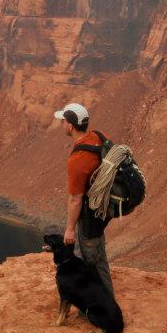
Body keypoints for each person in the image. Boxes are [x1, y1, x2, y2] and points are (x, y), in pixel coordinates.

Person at [53, 101, 115, 298]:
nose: (62, 124)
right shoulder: (97, 137)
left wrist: (70, 229)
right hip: (102, 209)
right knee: (96, 253)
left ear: (70, 125)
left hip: (90, 215)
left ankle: (106, 307)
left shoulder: (78, 159)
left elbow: (75, 199)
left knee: (93, 260)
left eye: (63, 120)